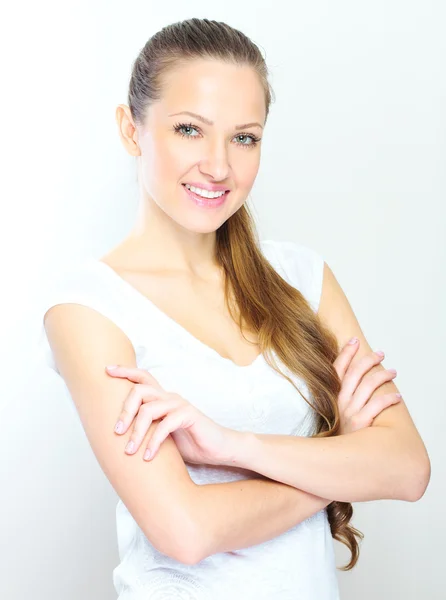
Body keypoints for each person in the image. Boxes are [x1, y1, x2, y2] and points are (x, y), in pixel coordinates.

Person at [39, 17, 430, 600]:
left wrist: (233, 447)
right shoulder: (89, 309)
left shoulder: (302, 277)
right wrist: (338, 461)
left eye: (244, 137)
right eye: (190, 129)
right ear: (131, 129)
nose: (219, 166)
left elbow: (407, 467)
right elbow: (186, 530)